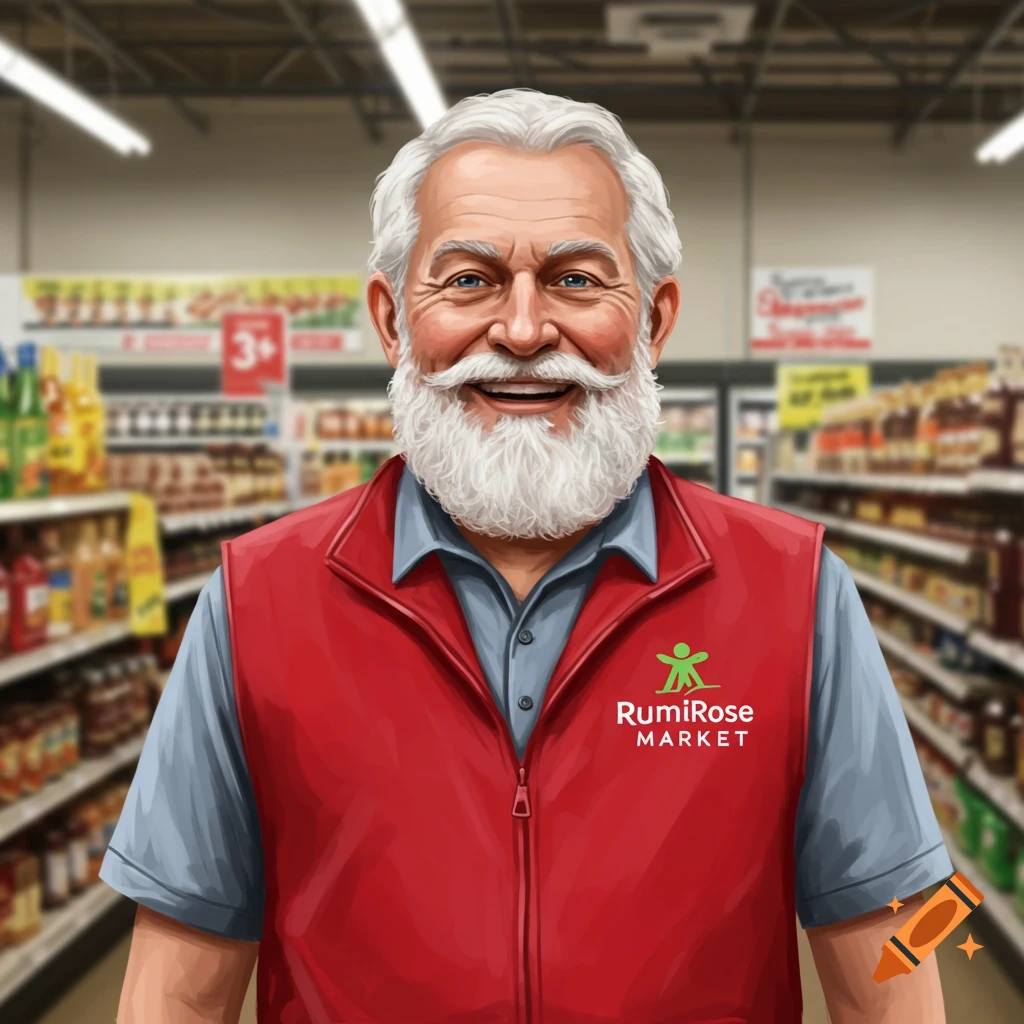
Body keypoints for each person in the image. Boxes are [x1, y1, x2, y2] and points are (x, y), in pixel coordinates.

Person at [104, 89, 951, 1023]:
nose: (520, 332)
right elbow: (176, 984)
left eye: (576, 280)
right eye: (468, 280)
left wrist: (937, 959)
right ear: (391, 320)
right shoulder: (256, 602)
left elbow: (909, 930)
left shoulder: (796, 592)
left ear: (655, 320)